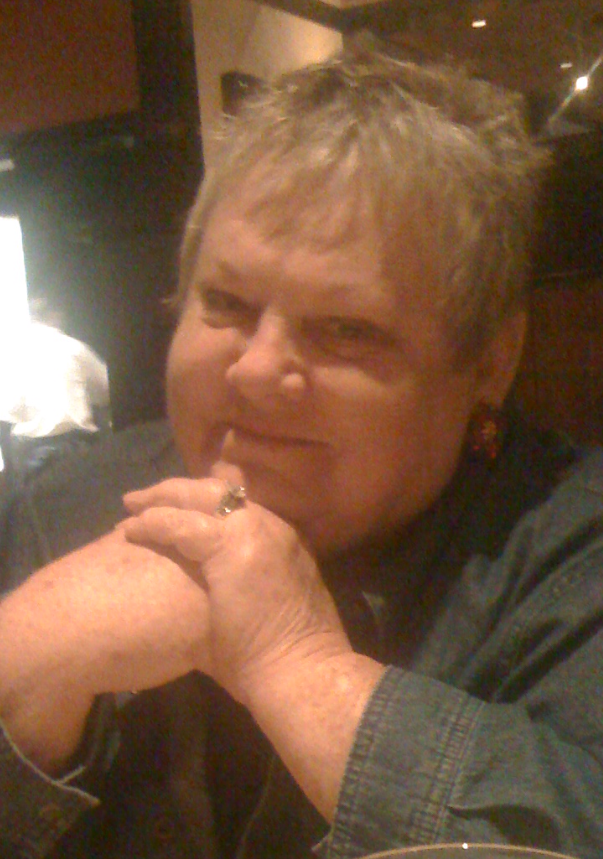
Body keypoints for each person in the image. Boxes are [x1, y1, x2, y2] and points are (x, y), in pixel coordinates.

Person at [1, 48, 602, 859]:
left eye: (346, 329)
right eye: (226, 302)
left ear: (489, 362)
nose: (253, 370)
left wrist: (298, 666)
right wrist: (26, 665)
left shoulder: (575, 557)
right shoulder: (67, 503)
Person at [0, 303, 110, 484]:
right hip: (75, 445)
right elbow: (106, 390)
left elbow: (5, 416)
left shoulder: (10, 354)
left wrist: (10, 473)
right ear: (55, 316)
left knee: (36, 501)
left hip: (28, 450)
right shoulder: (74, 348)